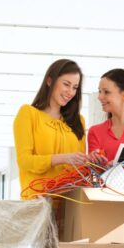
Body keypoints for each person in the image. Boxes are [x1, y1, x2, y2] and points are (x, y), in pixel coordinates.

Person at [13, 59, 88, 198]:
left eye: (75, 87)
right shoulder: (28, 114)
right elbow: (24, 161)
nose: (70, 92)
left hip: (70, 203)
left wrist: (91, 161)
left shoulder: (79, 122)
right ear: (49, 81)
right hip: (37, 202)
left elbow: (80, 166)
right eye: (66, 84)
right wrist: (62, 158)